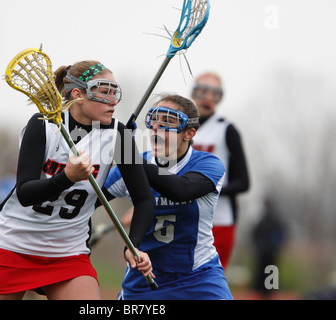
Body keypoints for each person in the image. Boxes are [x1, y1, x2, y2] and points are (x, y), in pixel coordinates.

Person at [0, 60, 155, 300]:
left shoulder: (118, 136)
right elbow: (25, 193)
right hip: (13, 245)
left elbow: (144, 199)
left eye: (115, 93)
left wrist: (132, 246)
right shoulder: (42, 125)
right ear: (78, 94)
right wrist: (66, 178)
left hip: (68, 252)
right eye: (104, 93)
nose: (113, 101)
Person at [103, 94, 233, 300]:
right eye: (154, 120)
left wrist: (129, 158)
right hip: (145, 276)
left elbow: (180, 190)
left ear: (189, 133)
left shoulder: (208, 164)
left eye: (168, 122)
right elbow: (88, 198)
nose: (157, 127)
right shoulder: (130, 166)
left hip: (199, 277)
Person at [190, 72, 250, 270]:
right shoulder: (181, 126)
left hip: (218, 220)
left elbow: (244, 181)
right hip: (184, 216)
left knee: (210, 280)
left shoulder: (226, 129)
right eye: (203, 91)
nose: (208, 98)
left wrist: (208, 189)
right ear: (193, 92)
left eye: (215, 93)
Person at [252, 197, 286, 299]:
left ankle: (269, 291)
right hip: (264, 252)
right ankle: (263, 291)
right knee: (263, 271)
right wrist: (260, 246)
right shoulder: (262, 220)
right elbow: (255, 235)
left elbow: (280, 234)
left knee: (271, 270)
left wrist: (274, 246)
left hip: (271, 251)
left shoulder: (275, 220)